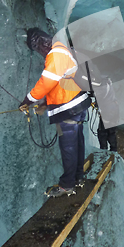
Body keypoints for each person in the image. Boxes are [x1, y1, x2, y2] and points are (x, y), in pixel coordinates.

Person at [19, 28, 91, 198]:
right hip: (77, 105)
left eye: (37, 49)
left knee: (69, 147)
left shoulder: (56, 53)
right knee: (77, 143)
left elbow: (47, 81)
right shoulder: (63, 51)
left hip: (69, 109)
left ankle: (67, 185)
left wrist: (28, 100)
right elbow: (60, 83)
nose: (41, 53)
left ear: (42, 43)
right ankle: (78, 177)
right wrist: (46, 103)